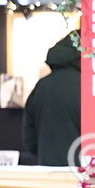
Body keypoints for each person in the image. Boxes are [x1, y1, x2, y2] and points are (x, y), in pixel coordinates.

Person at [22, 31, 81, 165]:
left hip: (48, 171)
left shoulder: (41, 87)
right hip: (84, 174)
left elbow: (29, 139)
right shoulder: (89, 88)